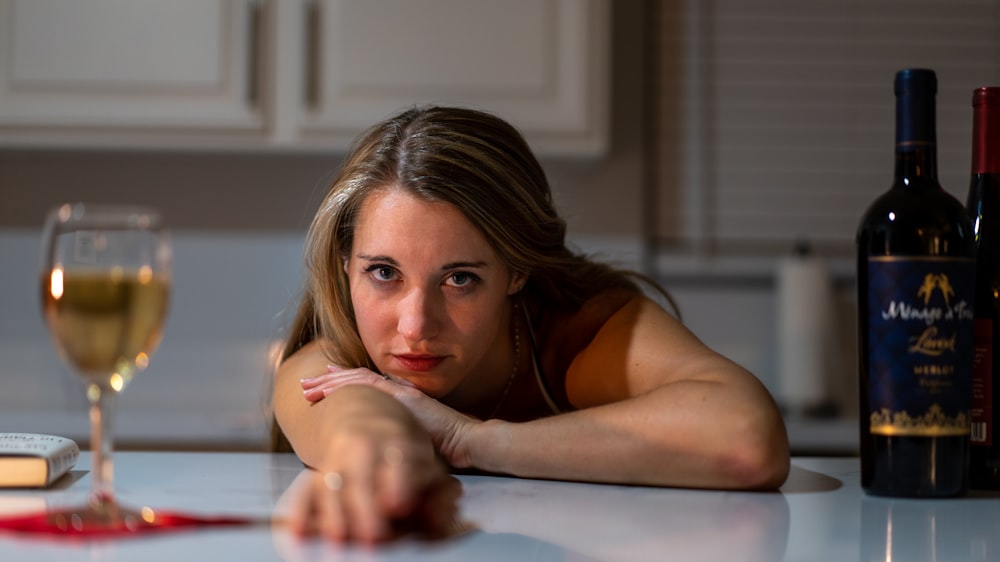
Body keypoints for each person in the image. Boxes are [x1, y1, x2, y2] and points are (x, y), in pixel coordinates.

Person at [271, 106, 790, 543]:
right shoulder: (334, 353)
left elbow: (746, 439)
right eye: (383, 273)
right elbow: (359, 423)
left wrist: (472, 441)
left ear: (517, 269)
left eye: (459, 279)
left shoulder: (577, 334)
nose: (414, 325)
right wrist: (372, 449)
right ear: (346, 264)